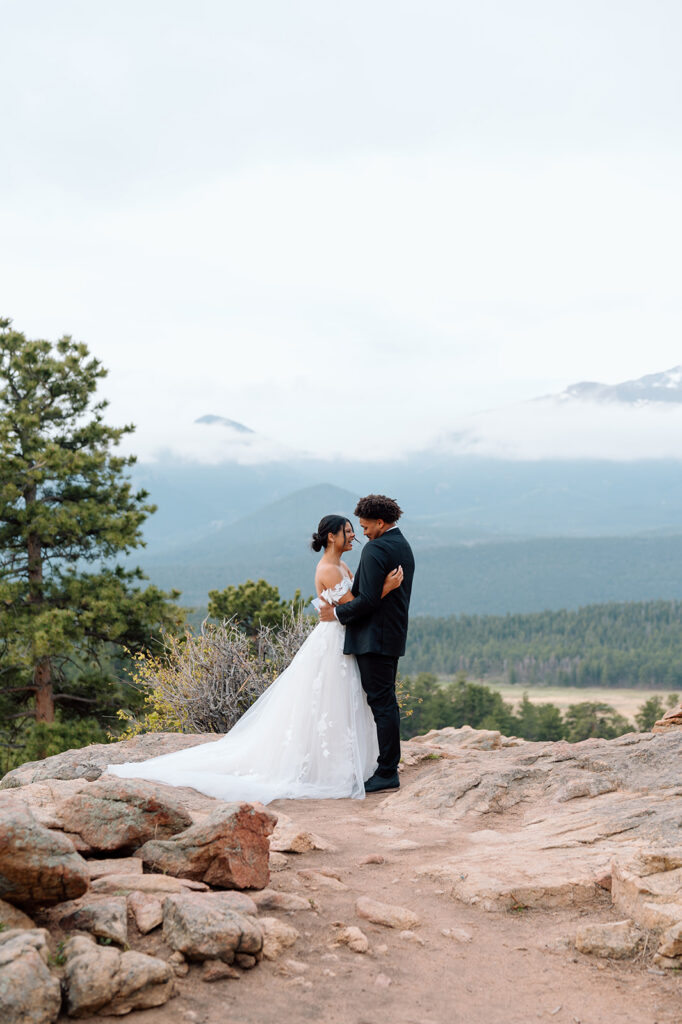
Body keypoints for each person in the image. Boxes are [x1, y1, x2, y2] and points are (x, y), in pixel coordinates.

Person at [106, 514, 402, 804]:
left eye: (354, 530)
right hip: (334, 641)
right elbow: (356, 607)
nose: (353, 535)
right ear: (331, 536)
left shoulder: (343, 565)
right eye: (348, 531)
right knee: (329, 702)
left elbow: (354, 605)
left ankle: (351, 762)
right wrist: (385, 589)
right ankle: (328, 766)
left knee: (342, 701)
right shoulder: (328, 569)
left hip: (344, 638)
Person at [318, 494, 415, 793]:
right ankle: (386, 765)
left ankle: (387, 771)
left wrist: (334, 612)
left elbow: (370, 600)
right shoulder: (402, 545)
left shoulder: (376, 550)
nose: (362, 533)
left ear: (380, 522)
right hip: (391, 634)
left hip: (374, 638)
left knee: (382, 704)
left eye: (365, 526)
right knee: (386, 702)